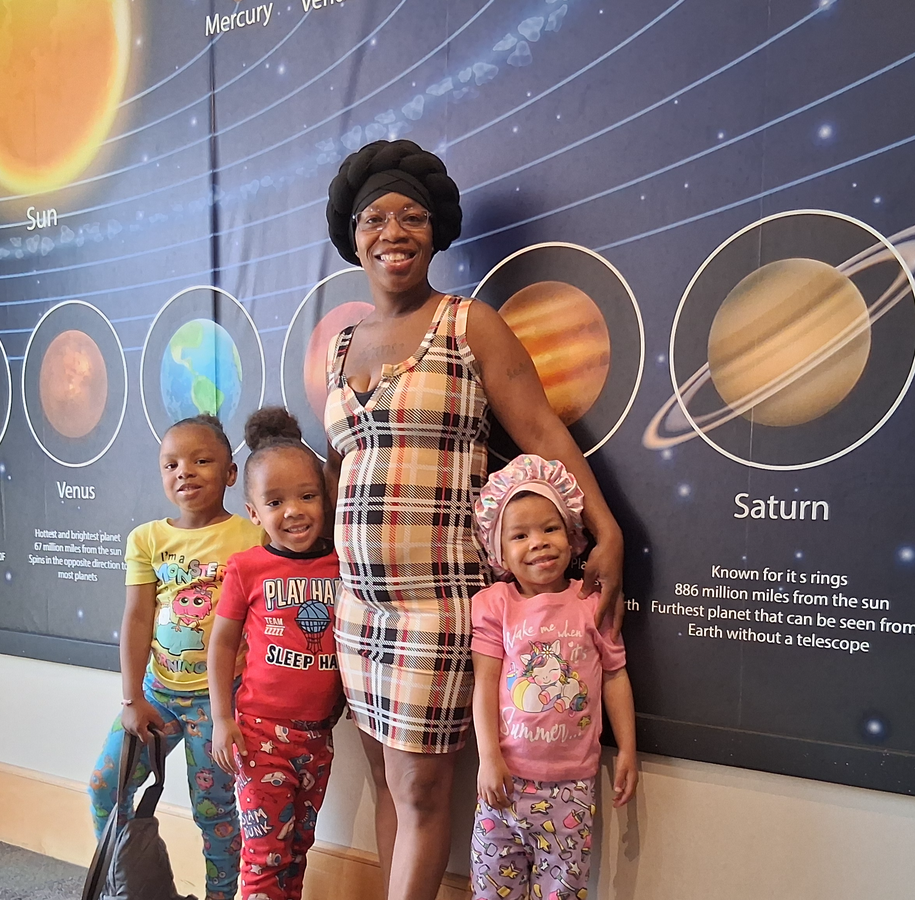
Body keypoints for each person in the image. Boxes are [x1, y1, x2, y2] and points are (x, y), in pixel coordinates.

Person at [323, 139, 627, 900]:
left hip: (435, 608)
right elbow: (341, 467)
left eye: (412, 216)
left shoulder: (469, 325)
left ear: (435, 233)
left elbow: (545, 432)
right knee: (387, 788)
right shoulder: (342, 344)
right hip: (357, 610)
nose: (393, 232)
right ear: (353, 236)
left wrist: (609, 530)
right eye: (375, 218)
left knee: (421, 795)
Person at [88, 414, 263, 900]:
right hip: (156, 696)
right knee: (106, 787)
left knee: (216, 814)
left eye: (201, 461)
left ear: (230, 473)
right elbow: (137, 619)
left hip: (220, 704)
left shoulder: (253, 538)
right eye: (171, 464)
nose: (184, 471)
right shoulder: (146, 539)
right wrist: (132, 699)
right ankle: (130, 887)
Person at [469, 454, 637, 900]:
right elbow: (484, 684)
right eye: (520, 535)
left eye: (549, 529)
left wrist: (627, 749)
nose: (538, 543)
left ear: (572, 534)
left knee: (561, 892)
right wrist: (488, 757)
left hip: (571, 786)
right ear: (499, 551)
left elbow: (615, 675)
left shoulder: (592, 602)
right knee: (491, 890)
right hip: (504, 782)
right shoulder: (494, 605)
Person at [208, 408, 345, 900]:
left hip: (317, 738)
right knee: (265, 857)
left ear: (325, 498)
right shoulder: (247, 568)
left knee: (297, 850)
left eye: (307, 496)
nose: (294, 511)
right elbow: (221, 643)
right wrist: (221, 718)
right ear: (254, 512)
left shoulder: (342, 563)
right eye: (275, 501)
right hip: (260, 736)